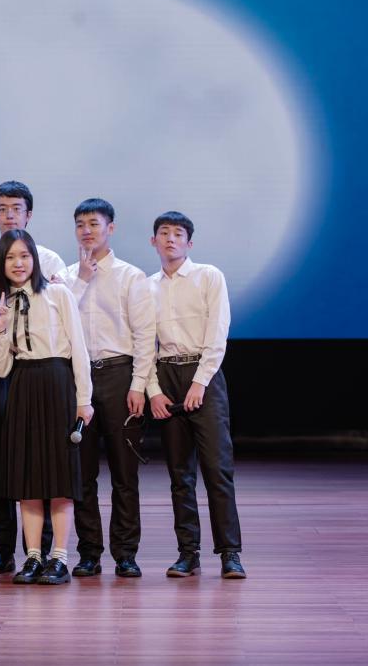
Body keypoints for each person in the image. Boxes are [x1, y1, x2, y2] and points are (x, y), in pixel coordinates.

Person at [0, 229, 93, 585]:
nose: (18, 263)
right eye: (10, 257)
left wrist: (84, 399)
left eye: (24, 256)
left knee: (59, 477)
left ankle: (59, 557)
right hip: (22, 384)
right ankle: (33, 556)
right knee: (28, 478)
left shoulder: (58, 293)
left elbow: (78, 348)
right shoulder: (1, 304)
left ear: (34, 259)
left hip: (58, 382)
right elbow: (0, 368)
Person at [146, 211, 246, 579]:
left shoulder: (208, 276)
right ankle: (188, 553)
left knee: (217, 470)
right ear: (153, 241)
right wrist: (154, 391)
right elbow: (144, 344)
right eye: (164, 233)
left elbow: (218, 333)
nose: (170, 239)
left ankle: (230, 553)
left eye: (178, 234)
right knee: (179, 474)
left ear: (189, 243)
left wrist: (200, 383)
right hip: (166, 375)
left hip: (203, 374)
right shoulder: (147, 286)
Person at [59, 198, 156, 579]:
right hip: (77, 378)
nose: (87, 231)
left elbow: (145, 335)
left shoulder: (131, 276)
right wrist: (81, 279)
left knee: (124, 472)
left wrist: (139, 385)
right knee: (81, 474)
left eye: (94, 224)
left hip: (119, 375)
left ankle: (126, 553)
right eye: (80, 224)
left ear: (110, 228)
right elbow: (59, 324)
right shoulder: (66, 278)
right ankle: (89, 553)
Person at [0, 181, 65, 573]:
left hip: (40, 373)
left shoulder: (49, 258)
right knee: (5, 459)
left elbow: (60, 316)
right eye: (2, 208)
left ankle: (43, 550)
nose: (9, 214)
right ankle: (4, 548)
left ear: (29, 214)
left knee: (42, 461)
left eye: (17, 208)